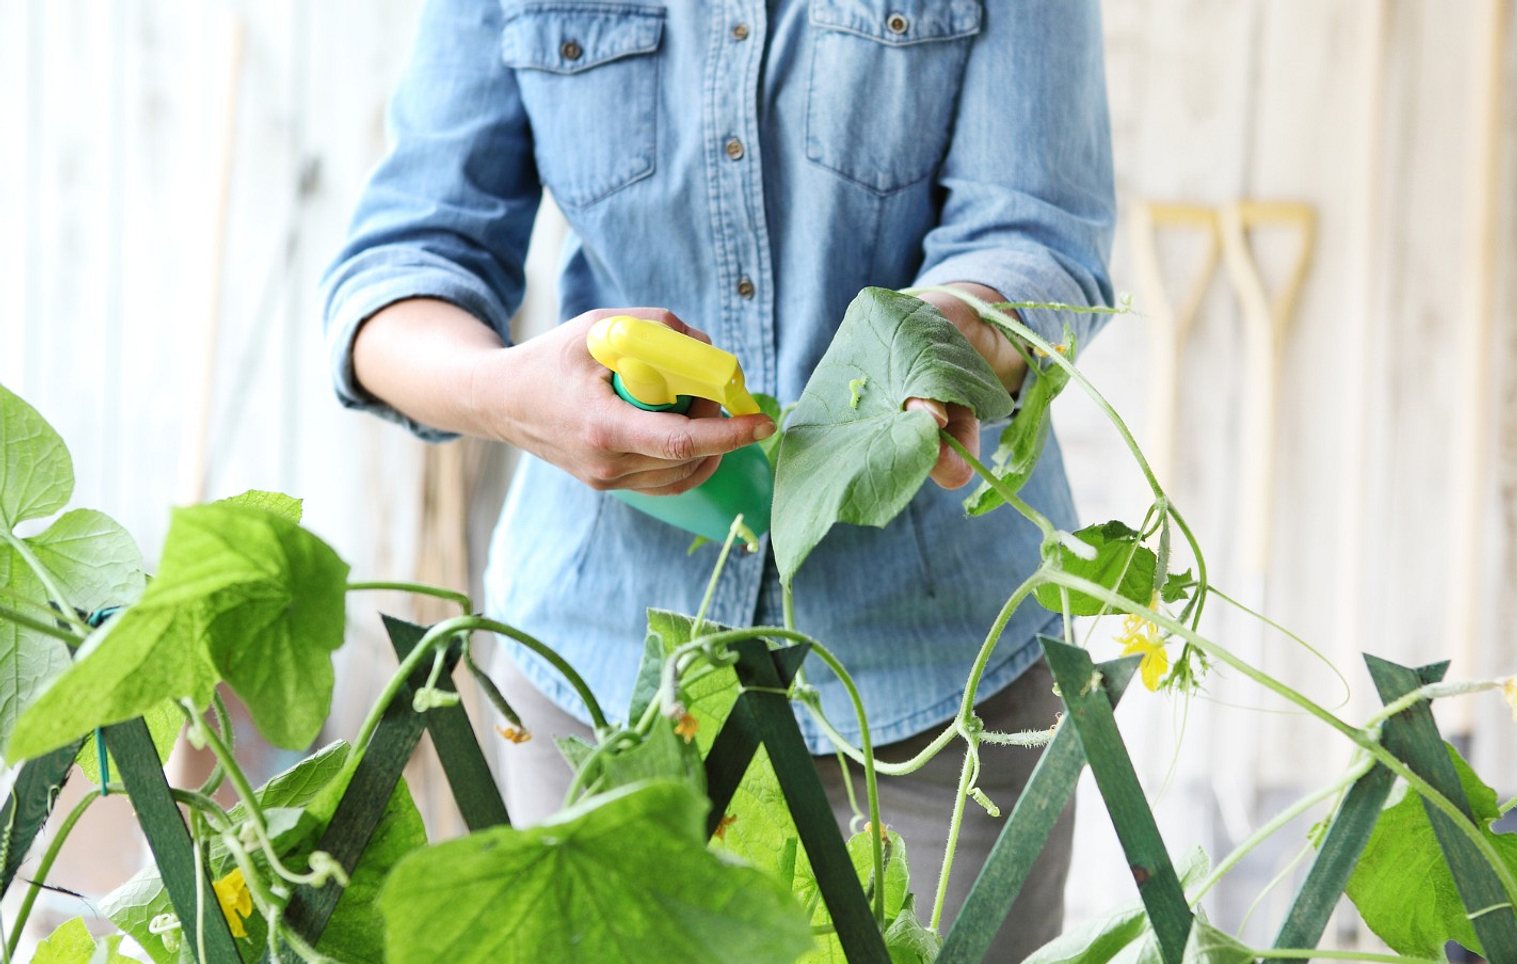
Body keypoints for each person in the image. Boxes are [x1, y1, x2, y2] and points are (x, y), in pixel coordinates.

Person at [324, 2, 1114, 960]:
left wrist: (934, 347)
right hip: (603, 671)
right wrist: (506, 395)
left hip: (941, 678)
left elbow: (1033, 232)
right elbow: (401, 265)